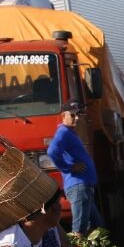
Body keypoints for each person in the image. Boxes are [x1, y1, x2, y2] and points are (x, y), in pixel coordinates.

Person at [46, 101, 102, 236]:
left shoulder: (70, 132)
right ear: (63, 115)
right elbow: (52, 151)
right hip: (78, 186)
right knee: (80, 228)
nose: (76, 118)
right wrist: (68, 167)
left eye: (78, 114)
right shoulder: (63, 132)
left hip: (84, 186)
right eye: (72, 115)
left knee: (97, 226)